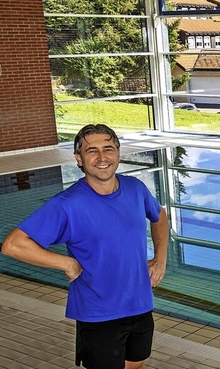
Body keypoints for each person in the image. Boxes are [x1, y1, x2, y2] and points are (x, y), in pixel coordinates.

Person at [1, 124, 169, 369]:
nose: (102, 157)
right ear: (79, 159)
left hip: (140, 304)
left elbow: (159, 216)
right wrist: (65, 263)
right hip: (99, 313)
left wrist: (160, 258)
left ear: (118, 153)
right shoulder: (68, 204)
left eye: (108, 149)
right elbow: (14, 245)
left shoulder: (135, 188)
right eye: (92, 151)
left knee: (135, 366)